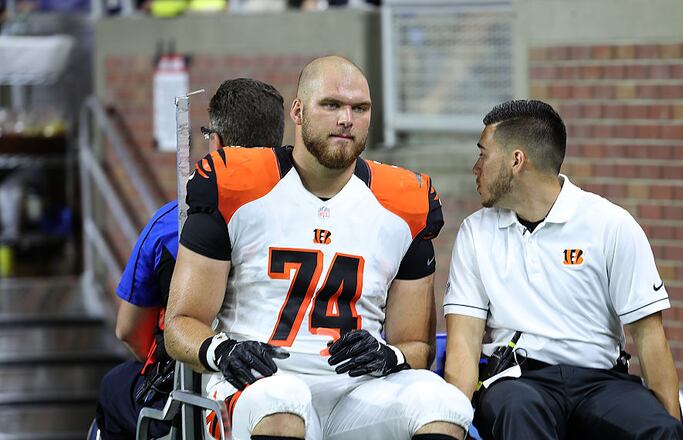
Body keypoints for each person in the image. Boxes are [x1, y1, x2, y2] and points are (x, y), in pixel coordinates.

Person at [165, 55, 472, 440]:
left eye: (359, 108)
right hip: (259, 385)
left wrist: (389, 355)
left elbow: (416, 347)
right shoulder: (238, 187)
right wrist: (223, 352)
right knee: (283, 399)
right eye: (331, 105)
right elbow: (179, 325)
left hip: (356, 393)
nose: (347, 119)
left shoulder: (403, 203)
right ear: (298, 110)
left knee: (445, 404)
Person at [442, 99, 683, 440]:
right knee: (517, 410)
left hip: (602, 383)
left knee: (658, 430)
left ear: (516, 161)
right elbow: (464, 346)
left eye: (483, 154)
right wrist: (453, 427)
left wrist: (673, 426)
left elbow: (650, 340)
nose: (475, 167)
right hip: (518, 381)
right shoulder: (475, 233)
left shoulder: (611, 225)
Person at [93, 77, 286, 440]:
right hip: (286, 376)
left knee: (113, 386)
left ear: (216, 141)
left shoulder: (171, 224)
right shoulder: (307, 218)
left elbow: (129, 331)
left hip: (195, 398)